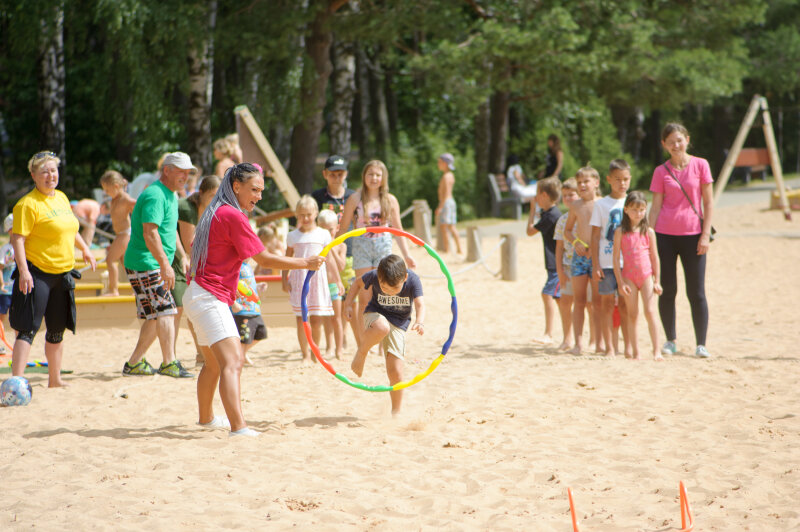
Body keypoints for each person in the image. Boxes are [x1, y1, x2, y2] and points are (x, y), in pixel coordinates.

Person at [183, 162, 324, 436]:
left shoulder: (214, 211)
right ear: (236, 187)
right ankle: (239, 428)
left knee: (213, 364)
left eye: (261, 190)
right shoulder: (233, 215)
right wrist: (304, 262)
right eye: (254, 190)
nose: (259, 196)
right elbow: (263, 258)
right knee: (233, 361)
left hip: (198, 295)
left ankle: (207, 419)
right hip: (208, 297)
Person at [9, 151, 96, 387]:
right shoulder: (26, 204)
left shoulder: (61, 198)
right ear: (34, 175)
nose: (50, 176)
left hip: (63, 273)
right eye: (44, 171)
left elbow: (70, 228)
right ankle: (16, 382)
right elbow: (17, 239)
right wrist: (24, 271)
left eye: (53, 170)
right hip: (37, 273)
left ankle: (55, 379)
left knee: (57, 330)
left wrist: (85, 248)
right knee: (27, 329)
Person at [122, 151, 194, 378]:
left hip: (149, 261)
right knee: (166, 310)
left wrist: (181, 255)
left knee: (155, 314)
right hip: (146, 262)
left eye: (188, 172)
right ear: (167, 170)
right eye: (180, 171)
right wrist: (164, 263)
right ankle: (169, 363)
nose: (185, 176)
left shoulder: (171, 194)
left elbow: (168, 230)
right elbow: (150, 232)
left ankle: (134, 363)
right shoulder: (155, 194)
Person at [648, 123, 714, 358]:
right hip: (665, 236)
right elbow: (655, 207)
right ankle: (670, 340)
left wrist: (705, 234)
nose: (676, 145)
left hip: (694, 235)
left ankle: (701, 344)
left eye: (679, 140)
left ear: (687, 139)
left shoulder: (701, 165)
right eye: (670, 142)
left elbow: (708, 203)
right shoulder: (660, 171)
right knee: (667, 290)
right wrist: (649, 237)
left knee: (696, 292)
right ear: (664, 145)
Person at [337, 160, 417, 348]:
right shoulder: (355, 199)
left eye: (377, 175)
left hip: (382, 247)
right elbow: (343, 228)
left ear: (383, 178)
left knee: (384, 294)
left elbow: (398, 230)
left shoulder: (390, 200)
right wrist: (330, 247)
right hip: (362, 247)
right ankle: (364, 341)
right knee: (365, 297)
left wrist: (406, 255)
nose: (374, 178)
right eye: (370, 174)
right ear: (364, 176)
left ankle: (383, 340)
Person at [344, 254, 424, 416]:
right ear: (378, 277)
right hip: (375, 315)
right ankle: (362, 352)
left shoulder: (413, 279)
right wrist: (347, 305)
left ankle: (396, 412)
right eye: (384, 287)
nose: (388, 292)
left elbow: (420, 304)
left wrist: (420, 321)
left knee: (396, 373)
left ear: (405, 278)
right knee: (382, 328)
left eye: (394, 289)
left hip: (399, 323)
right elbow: (356, 284)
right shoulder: (374, 275)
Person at [283, 195, 336, 364]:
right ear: (296, 215)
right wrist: (284, 279)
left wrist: (338, 280)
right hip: (299, 279)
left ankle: (315, 353)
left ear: (315, 213)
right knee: (301, 318)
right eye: (301, 215)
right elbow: (287, 259)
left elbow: (330, 258)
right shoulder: (293, 236)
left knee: (317, 318)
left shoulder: (323, 234)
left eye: (308, 214)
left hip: (317, 281)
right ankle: (305, 354)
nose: (305, 218)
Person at [613, 191, 663, 361]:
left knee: (650, 311)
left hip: (646, 275)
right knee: (632, 314)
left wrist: (657, 280)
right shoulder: (620, 232)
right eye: (634, 210)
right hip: (628, 277)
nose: (638, 213)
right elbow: (615, 259)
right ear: (626, 210)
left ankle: (657, 351)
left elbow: (655, 257)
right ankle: (636, 352)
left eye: (642, 210)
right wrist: (620, 282)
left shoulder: (649, 232)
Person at [177, 175, 221, 364]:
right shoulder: (187, 208)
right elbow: (190, 246)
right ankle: (200, 354)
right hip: (177, 258)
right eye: (212, 195)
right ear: (201, 193)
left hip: (194, 261)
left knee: (197, 309)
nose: (216, 199)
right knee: (191, 308)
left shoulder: (215, 210)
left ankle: (202, 354)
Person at [590, 159, 632, 357]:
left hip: (628, 263)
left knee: (625, 305)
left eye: (625, 179)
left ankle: (628, 346)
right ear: (608, 180)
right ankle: (609, 347)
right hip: (606, 263)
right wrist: (595, 264)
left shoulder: (633, 202)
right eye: (617, 179)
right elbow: (595, 235)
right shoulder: (601, 204)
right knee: (606, 304)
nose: (621, 183)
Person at [564, 167, 601, 354]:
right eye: (579, 182)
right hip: (579, 257)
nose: (582, 185)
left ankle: (597, 341)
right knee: (578, 300)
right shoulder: (576, 206)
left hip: (597, 257)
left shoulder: (602, 204)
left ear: (596, 182)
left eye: (586, 181)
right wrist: (576, 242)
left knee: (596, 301)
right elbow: (568, 230)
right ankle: (578, 343)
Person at [525, 177, 562, 344]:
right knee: (560, 299)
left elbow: (530, 231)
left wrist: (532, 210)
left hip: (556, 263)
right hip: (554, 262)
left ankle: (549, 333)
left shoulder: (551, 216)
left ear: (545, 195)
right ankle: (568, 334)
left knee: (547, 294)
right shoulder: (551, 213)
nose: (536, 198)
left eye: (537, 195)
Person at [99, 170, 136, 296]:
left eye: (107, 190)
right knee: (127, 265)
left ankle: (113, 289)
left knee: (110, 260)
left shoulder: (125, 199)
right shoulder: (115, 199)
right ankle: (136, 289)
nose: (106, 193)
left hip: (125, 234)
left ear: (116, 186)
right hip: (120, 234)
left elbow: (136, 205)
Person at [553, 178, 579, 350]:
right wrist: (559, 271)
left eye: (571, 195)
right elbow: (559, 247)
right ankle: (567, 338)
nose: (568, 198)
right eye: (565, 196)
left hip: (584, 264)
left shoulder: (586, 215)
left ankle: (587, 338)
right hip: (567, 266)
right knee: (565, 302)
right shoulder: (562, 220)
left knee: (589, 304)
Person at [317, 209, 346, 360]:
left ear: (336, 228)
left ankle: (339, 349)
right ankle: (329, 347)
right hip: (321, 285)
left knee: (337, 318)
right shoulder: (317, 244)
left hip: (334, 285)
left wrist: (331, 248)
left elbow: (341, 266)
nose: (327, 233)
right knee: (326, 318)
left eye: (330, 230)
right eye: (323, 230)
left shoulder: (341, 246)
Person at [231, 260, 267, 366]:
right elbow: (229, 284)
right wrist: (233, 303)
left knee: (261, 333)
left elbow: (248, 285)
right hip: (242, 309)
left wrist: (258, 286)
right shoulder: (235, 265)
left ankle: (242, 354)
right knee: (244, 338)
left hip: (254, 308)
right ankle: (240, 357)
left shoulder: (247, 266)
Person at [435, 153, 463, 255]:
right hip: (450, 202)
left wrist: (440, 207)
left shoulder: (446, 176)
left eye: (440, 162)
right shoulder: (450, 175)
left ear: (445, 163)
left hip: (446, 203)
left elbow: (445, 193)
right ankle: (458, 248)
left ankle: (447, 249)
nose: (438, 164)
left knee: (444, 226)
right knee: (451, 226)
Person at [0, 214, 17, 343]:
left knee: (19, 318)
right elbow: (0, 268)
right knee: (2, 316)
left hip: (18, 289)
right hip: (6, 290)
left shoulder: (26, 248)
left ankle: (19, 342)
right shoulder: (6, 249)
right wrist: (2, 284)